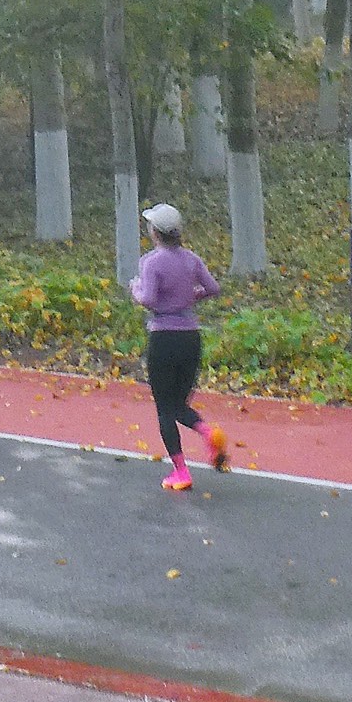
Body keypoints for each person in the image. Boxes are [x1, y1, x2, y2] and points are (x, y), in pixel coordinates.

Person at [130, 201, 226, 491]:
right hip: (190, 338)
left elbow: (148, 298)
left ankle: (181, 471)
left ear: (155, 233)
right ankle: (208, 432)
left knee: (164, 408)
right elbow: (213, 288)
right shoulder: (191, 260)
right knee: (178, 404)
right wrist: (190, 297)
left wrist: (134, 288)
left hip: (163, 337)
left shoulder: (151, 262)